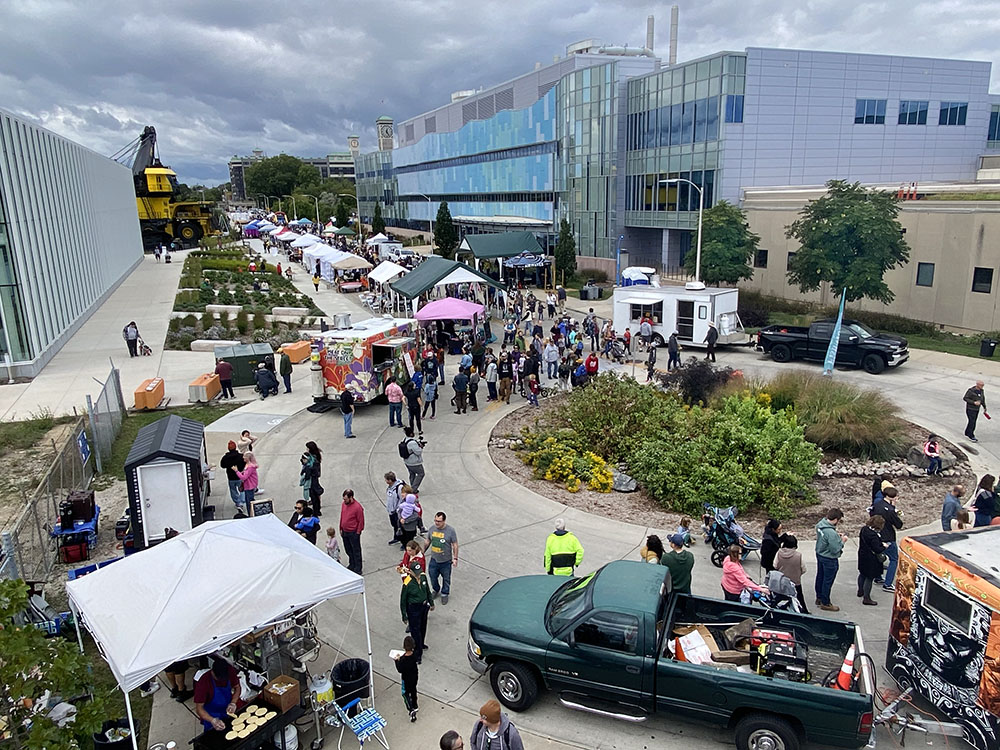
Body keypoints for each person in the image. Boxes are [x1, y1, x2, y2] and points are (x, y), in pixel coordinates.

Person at [399, 558, 434, 664]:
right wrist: (404, 615)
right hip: (413, 608)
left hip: (423, 606)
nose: (419, 575)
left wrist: (431, 603)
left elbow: (427, 590)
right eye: (416, 573)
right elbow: (403, 599)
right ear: (410, 572)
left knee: (423, 627)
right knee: (415, 631)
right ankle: (417, 654)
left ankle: (421, 644)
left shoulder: (423, 577)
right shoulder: (407, 582)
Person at [193, 658, 242, 733]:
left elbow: (237, 687)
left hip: (227, 710)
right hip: (211, 714)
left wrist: (233, 702)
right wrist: (212, 720)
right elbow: (199, 708)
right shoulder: (203, 683)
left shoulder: (230, 671)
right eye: (219, 678)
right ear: (212, 672)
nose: (222, 680)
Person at [870, 486, 903, 592]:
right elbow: (898, 524)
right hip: (888, 537)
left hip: (877, 535)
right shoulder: (889, 510)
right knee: (894, 559)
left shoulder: (877, 505)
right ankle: (888, 584)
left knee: (879, 555)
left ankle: (878, 577)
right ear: (892, 498)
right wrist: (894, 509)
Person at [814, 507, 847, 611]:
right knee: (827, 581)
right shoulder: (831, 533)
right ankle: (825, 602)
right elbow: (835, 549)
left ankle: (819, 597)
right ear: (836, 519)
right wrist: (842, 541)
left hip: (820, 554)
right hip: (829, 558)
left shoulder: (820, 525)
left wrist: (836, 537)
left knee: (820, 576)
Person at [425, 512, 459, 604]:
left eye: (439, 521)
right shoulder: (432, 529)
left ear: (444, 521)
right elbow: (428, 541)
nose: (436, 523)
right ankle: (436, 589)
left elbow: (455, 544)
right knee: (432, 577)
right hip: (434, 560)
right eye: (435, 520)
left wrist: (455, 558)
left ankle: (444, 593)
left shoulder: (450, 531)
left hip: (446, 561)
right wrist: (421, 552)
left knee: (446, 579)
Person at [774, 535, 809, 614]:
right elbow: (804, 569)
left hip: (782, 581)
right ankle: (804, 612)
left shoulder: (779, 553)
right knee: (799, 598)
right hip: (795, 581)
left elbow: (775, 565)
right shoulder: (798, 555)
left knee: (779, 597)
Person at [857, 516, 886, 606]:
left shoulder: (864, 529)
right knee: (869, 577)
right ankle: (867, 598)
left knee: (862, 574)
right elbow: (877, 549)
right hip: (871, 559)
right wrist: (884, 546)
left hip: (862, 555)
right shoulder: (874, 536)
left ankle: (860, 590)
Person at [393, 635, 421, 722]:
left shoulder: (403, 660)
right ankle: (415, 705)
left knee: (405, 694)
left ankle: (410, 709)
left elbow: (400, 670)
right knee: (413, 690)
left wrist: (396, 661)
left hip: (406, 679)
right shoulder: (415, 655)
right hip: (414, 677)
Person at [340, 489, 365, 574]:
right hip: (344, 531)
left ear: (351, 497)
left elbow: (361, 521)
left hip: (353, 532)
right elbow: (342, 516)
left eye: (346, 499)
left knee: (356, 550)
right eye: (344, 499)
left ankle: (358, 567)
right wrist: (341, 527)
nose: (344, 501)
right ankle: (352, 564)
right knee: (348, 549)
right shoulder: (344, 504)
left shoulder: (357, 507)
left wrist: (358, 532)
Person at [220, 441, 246, 512]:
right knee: (242, 489)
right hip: (239, 476)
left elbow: (222, 465)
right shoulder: (240, 456)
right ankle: (242, 501)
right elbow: (245, 463)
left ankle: (237, 502)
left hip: (231, 477)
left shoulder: (225, 457)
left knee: (233, 490)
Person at [300, 441, 324, 515]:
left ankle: (316, 509)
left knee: (314, 493)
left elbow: (312, 470)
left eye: (307, 448)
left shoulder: (313, 459)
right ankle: (316, 506)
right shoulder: (315, 456)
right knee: (315, 493)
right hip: (314, 477)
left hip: (313, 478)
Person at [385, 471, 406, 546]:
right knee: (394, 525)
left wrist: (398, 509)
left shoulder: (399, 488)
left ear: (390, 480)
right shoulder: (390, 487)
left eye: (386, 480)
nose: (385, 481)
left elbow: (402, 499)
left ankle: (404, 542)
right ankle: (396, 537)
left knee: (400, 526)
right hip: (391, 510)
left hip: (397, 511)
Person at [402, 426, 425, 491]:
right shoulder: (412, 443)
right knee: (421, 473)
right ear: (411, 434)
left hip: (407, 462)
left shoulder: (405, 440)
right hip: (414, 463)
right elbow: (418, 452)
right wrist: (420, 447)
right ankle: (413, 489)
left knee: (412, 474)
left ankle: (412, 486)